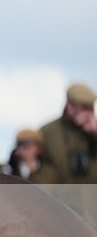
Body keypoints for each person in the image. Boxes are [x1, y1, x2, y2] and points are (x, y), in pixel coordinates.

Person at [36, 83, 97, 228]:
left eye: (90, 108)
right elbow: (41, 176)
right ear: (70, 107)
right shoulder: (47, 133)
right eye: (84, 108)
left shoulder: (93, 130)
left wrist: (94, 135)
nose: (88, 113)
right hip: (61, 212)